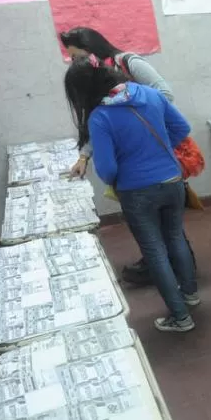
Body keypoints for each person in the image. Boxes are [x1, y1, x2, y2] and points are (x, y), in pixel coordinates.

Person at [64, 56, 199, 332]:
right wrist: (156, 153)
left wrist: (125, 174)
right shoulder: (149, 93)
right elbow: (181, 129)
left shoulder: (100, 117)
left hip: (137, 191)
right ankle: (190, 294)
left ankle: (180, 317)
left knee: (154, 251)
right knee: (175, 237)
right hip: (172, 180)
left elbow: (107, 169)